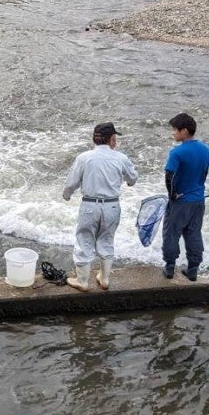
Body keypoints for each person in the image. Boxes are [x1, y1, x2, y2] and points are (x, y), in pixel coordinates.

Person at [62, 121, 138, 291]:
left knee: (84, 240)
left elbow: (71, 183)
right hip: (112, 206)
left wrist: (66, 195)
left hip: (90, 205)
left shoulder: (84, 157)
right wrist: (128, 182)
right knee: (107, 239)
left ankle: (82, 281)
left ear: (94, 139)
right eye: (114, 138)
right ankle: (104, 279)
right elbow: (132, 179)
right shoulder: (121, 158)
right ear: (111, 139)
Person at [162, 113, 209, 282]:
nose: (173, 133)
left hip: (181, 202)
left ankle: (169, 267)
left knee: (171, 233)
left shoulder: (177, 152)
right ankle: (193, 269)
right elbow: (203, 174)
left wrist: (172, 195)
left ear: (184, 131)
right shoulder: (206, 150)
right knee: (194, 233)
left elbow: (169, 176)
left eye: (175, 130)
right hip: (198, 200)